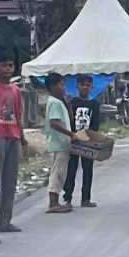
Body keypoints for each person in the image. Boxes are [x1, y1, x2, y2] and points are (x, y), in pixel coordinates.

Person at [0, 50, 28, 234]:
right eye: (4, 65)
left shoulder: (16, 90)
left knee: (10, 182)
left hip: (13, 136)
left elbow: (18, 115)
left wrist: (22, 138)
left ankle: (5, 221)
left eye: (10, 65)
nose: (8, 69)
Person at [63, 74, 101, 208]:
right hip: (73, 139)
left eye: (87, 85)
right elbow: (69, 120)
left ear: (91, 87)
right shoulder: (72, 102)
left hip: (88, 141)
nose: (85, 87)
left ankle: (86, 198)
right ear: (77, 86)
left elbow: (95, 124)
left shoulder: (94, 104)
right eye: (82, 85)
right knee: (71, 170)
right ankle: (67, 198)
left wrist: (92, 138)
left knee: (88, 170)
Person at [44, 72, 75, 214]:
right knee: (58, 173)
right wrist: (70, 134)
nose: (64, 88)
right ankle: (53, 203)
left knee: (60, 172)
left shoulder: (59, 102)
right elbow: (54, 123)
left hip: (62, 143)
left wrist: (68, 105)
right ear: (52, 86)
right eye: (61, 85)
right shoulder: (54, 102)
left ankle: (55, 201)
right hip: (59, 143)